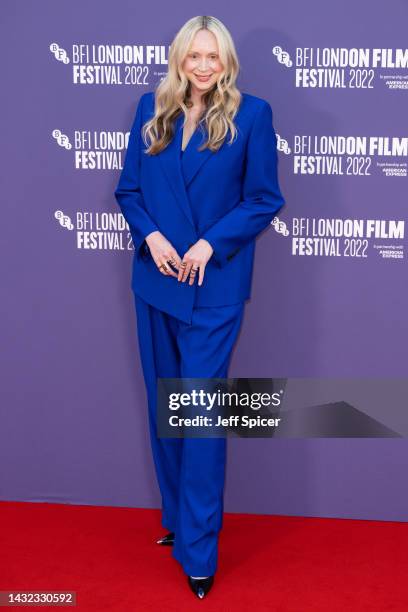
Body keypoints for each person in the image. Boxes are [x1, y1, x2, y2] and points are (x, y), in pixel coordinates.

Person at [114, 15, 285, 599]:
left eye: (214, 57)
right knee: (166, 408)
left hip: (212, 287)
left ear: (227, 60)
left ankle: (200, 549)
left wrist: (210, 243)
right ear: (180, 59)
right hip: (156, 279)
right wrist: (153, 238)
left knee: (201, 414)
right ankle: (178, 523)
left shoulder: (252, 114)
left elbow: (264, 198)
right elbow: (129, 191)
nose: (205, 66)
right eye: (195, 56)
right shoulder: (149, 109)